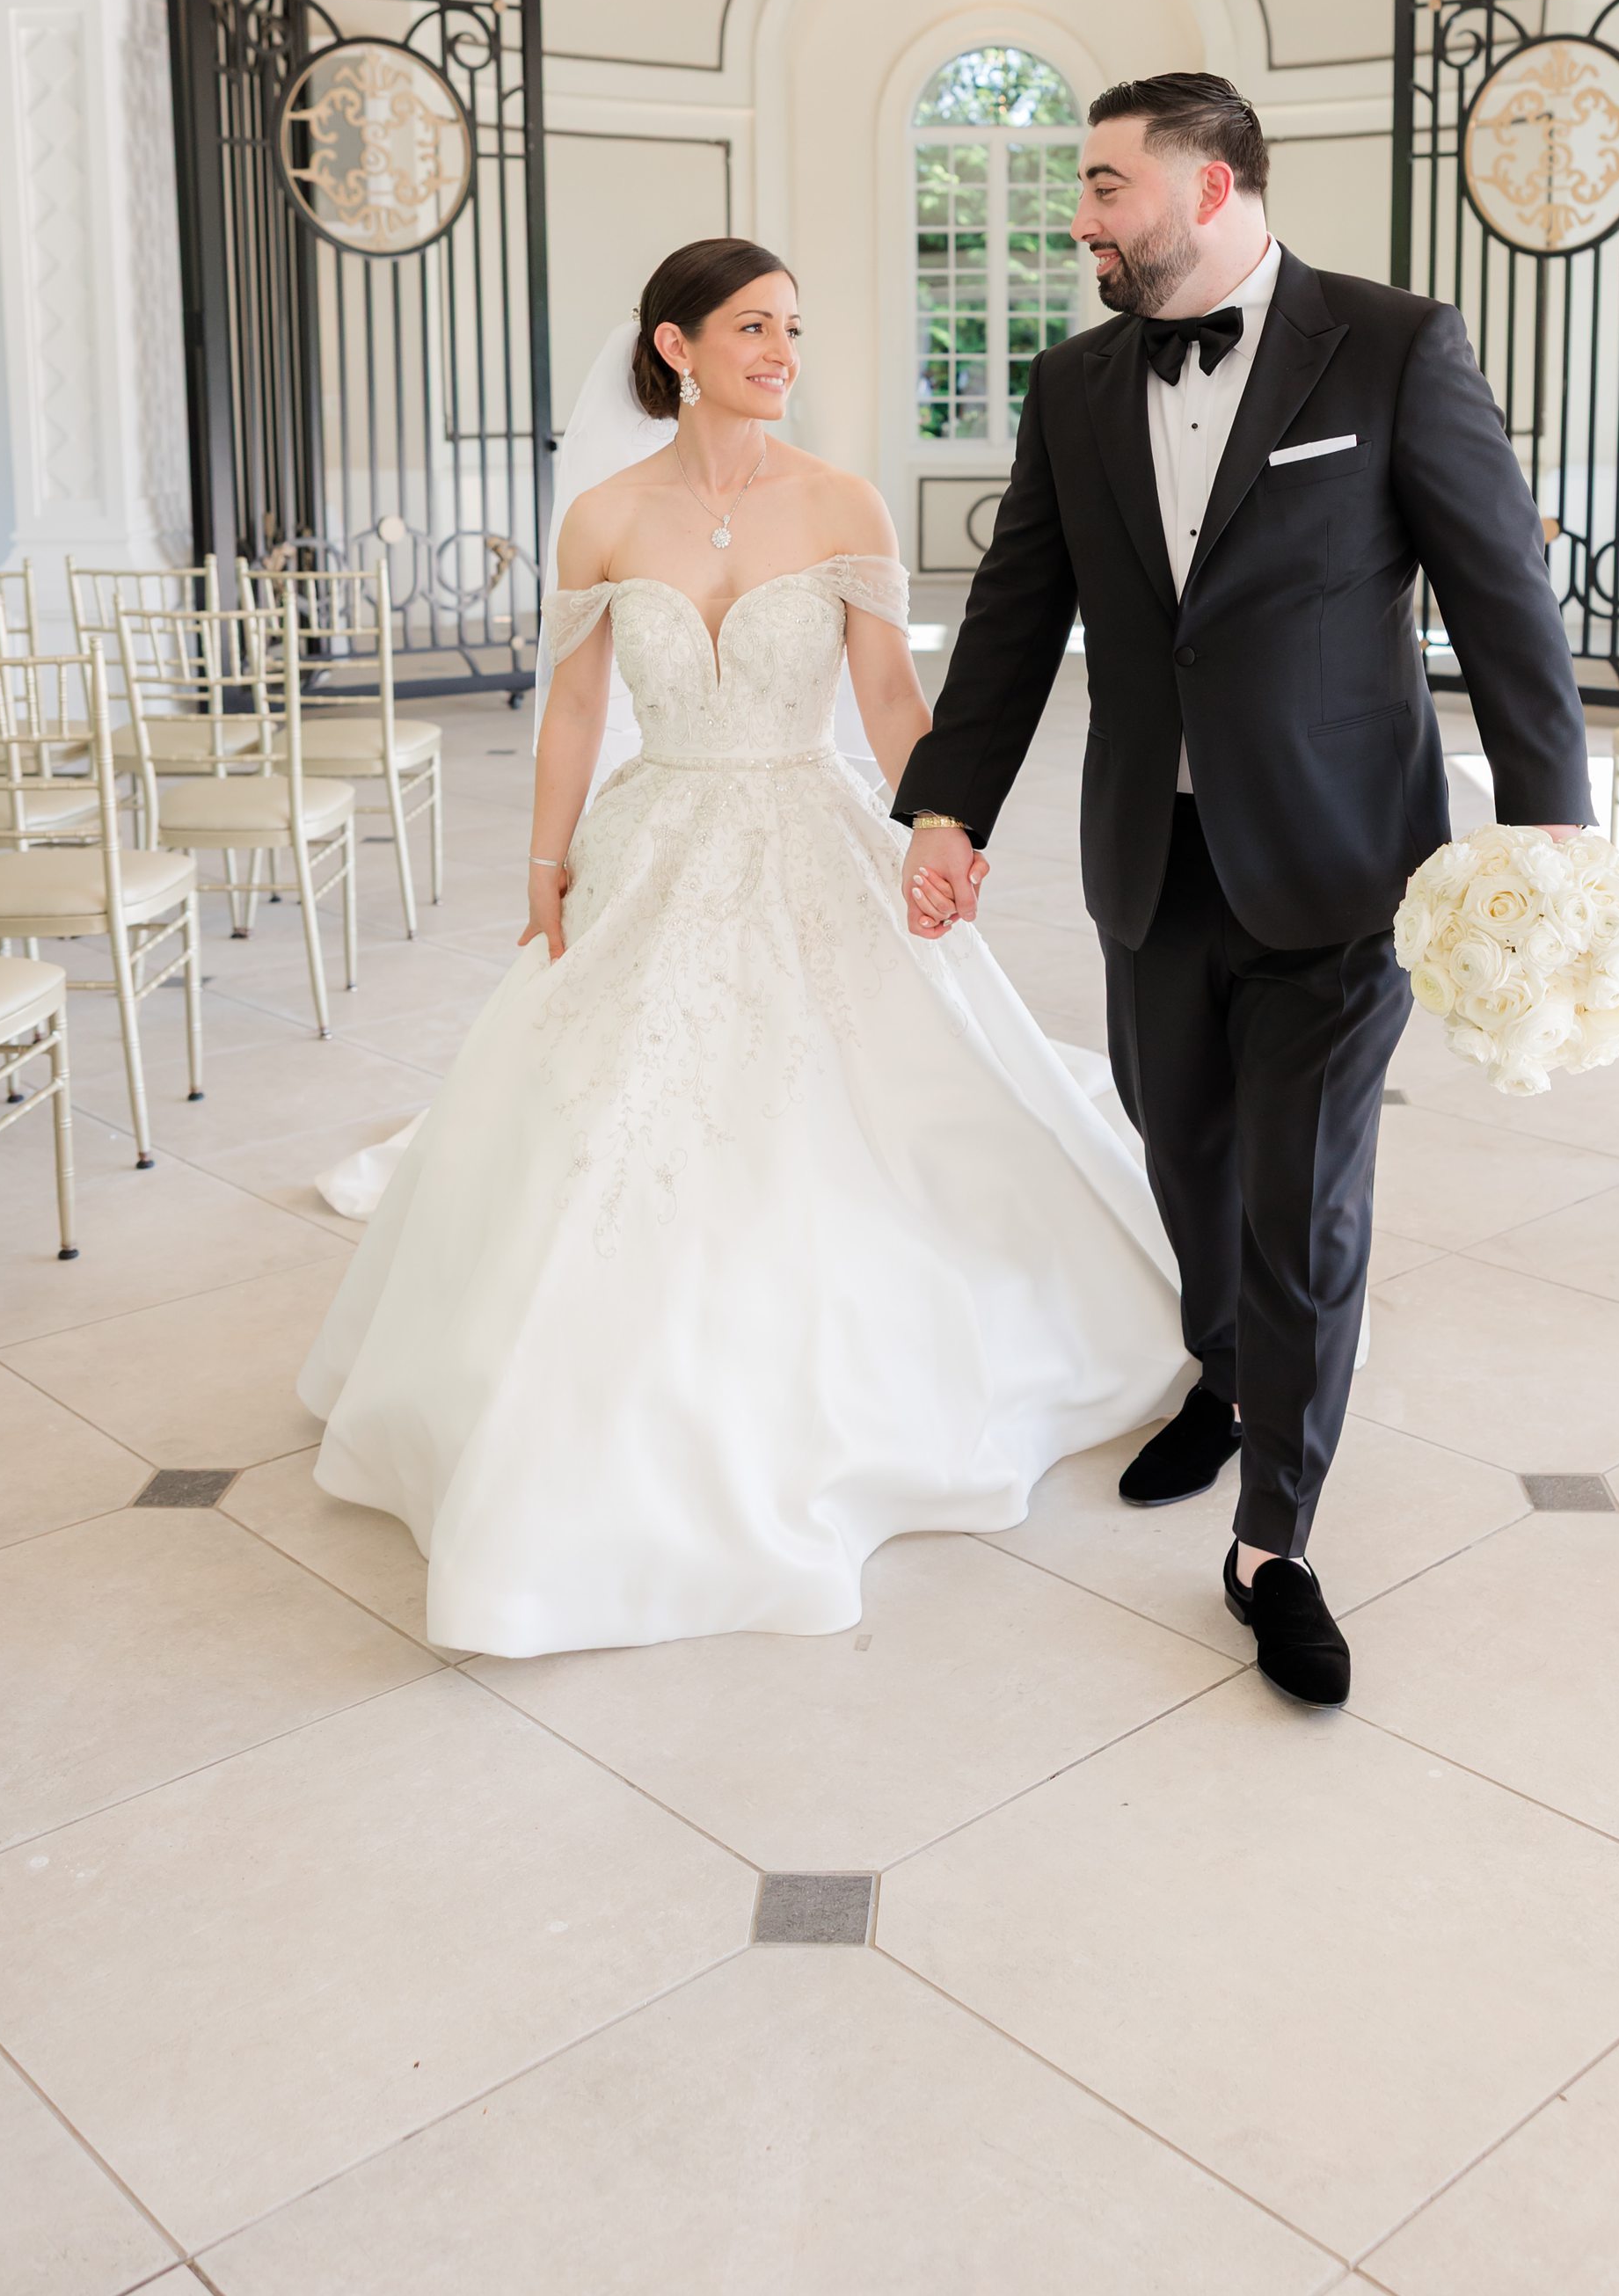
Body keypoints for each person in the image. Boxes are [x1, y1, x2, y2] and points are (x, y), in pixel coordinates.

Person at [299, 237, 1186, 1657]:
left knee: (846, 1101)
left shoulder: (840, 502)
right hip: (656, 836)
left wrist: (937, 825)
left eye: (792, 328)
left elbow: (890, 694)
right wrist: (546, 872)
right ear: (675, 346)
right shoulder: (601, 516)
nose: (782, 351)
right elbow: (577, 716)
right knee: (611, 1113)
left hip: (808, 821)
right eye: (754, 327)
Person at [898, 74, 1592, 1708]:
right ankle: (1220, 1373)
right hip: (1154, 858)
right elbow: (1012, 616)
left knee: (1306, 1198)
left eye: (1107, 186)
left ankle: (1276, 1538)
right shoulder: (1072, 385)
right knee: (1181, 1146)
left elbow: (1504, 599)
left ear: (1211, 189)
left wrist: (1549, 827)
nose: (1081, 218)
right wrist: (946, 806)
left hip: (1348, 862)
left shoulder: (1395, 347)